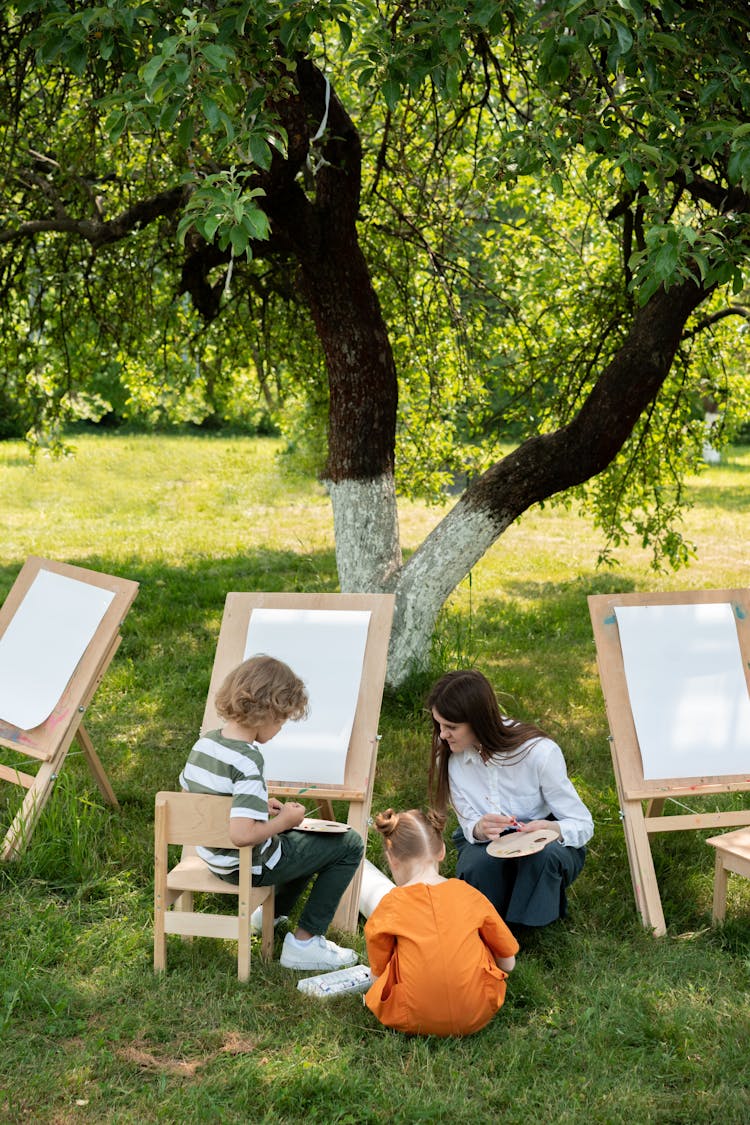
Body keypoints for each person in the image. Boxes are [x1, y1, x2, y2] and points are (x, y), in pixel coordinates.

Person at [179, 653, 364, 971]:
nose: (279, 729)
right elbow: (241, 835)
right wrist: (283, 821)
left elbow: (195, 796)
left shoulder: (205, 744)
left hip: (214, 858)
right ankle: (305, 943)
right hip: (246, 865)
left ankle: (269, 914)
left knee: (305, 844)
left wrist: (253, 805)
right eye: (281, 720)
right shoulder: (249, 761)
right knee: (348, 844)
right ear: (265, 712)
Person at [427, 669, 593, 930]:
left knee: (543, 857)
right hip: (489, 842)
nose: (442, 734)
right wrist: (480, 828)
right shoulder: (450, 758)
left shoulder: (538, 753)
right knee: (477, 865)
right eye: (439, 725)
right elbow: (469, 822)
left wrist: (554, 829)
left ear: (478, 721)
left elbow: (583, 823)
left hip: (542, 841)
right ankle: (491, 921)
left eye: (451, 727)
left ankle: (524, 925)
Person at [364, 807, 519, 1037]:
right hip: (479, 1010)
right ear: (442, 851)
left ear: (391, 860)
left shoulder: (391, 904)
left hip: (411, 1017)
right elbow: (508, 964)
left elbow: (378, 977)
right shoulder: (469, 894)